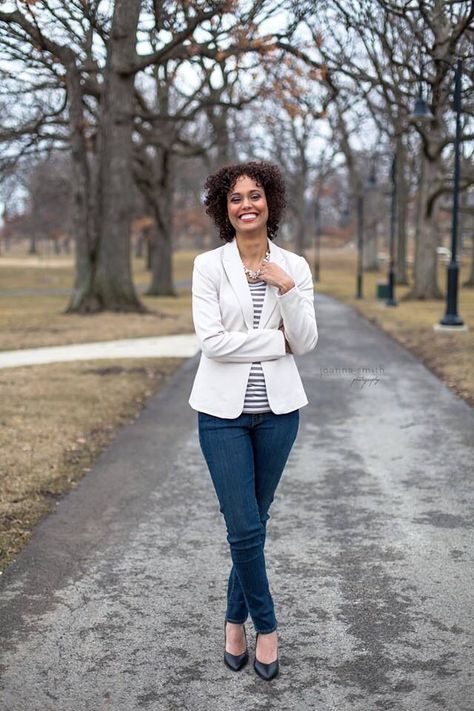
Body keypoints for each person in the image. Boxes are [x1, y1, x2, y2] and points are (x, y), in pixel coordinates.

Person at [188, 160, 318, 681]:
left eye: (256, 195)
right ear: (225, 208)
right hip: (221, 415)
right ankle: (267, 627)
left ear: (271, 203)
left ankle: (231, 622)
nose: (247, 204)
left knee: (255, 524)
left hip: (279, 414)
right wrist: (275, 342)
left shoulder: (296, 266)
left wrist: (285, 286)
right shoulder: (208, 266)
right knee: (243, 527)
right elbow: (212, 343)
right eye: (236, 197)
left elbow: (306, 342)